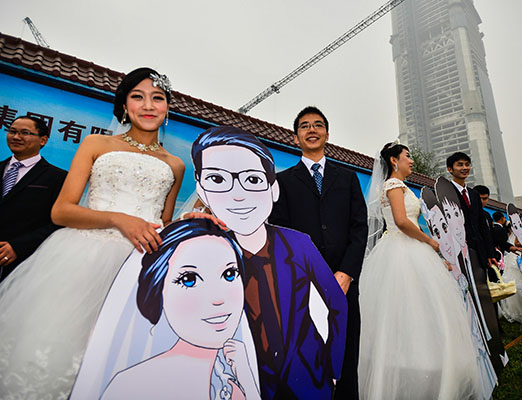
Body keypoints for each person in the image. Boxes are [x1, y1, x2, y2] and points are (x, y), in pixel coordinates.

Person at [0, 67, 185, 398]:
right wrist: (118, 219)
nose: (148, 105)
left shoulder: (175, 165)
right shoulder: (96, 143)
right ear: (124, 105)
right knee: (57, 350)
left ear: (167, 108)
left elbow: (164, 224)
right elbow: (61, 211)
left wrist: (196, 221)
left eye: (157, 98)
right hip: (80, 260)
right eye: (137, 97)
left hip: (137, 269)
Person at [191, 126, 347, 399]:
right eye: (218, 179)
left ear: (273, 189)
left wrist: (334, 366)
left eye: (252, 180)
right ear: (202, 190)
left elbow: (336, 302)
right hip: (244, 380)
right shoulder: (209, 251)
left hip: (310, 375)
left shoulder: (299, 243)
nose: (238, 195)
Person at [72, 219, 260, 399]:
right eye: (189, 279)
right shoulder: (134, 385)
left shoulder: (231, 378)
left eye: (229, 274)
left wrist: (248, 382)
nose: (218, 299)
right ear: (158, 290)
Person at [358, 142, 482, 399]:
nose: (411, 161)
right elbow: (402, 221)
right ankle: (413, 368)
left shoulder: (400, 186)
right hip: (401, 249)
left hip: (408, 247)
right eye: (408, 156)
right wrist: (430, 242)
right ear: (394, 161)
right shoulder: (393, 185)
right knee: (410, 307)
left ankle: (424, 364)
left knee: (418, 308)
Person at [270, 106, 368, 400]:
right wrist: (305, 276)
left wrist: (347, 272)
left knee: (346, 355)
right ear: (296, 136)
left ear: (327, 133)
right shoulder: (283, 181)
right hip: (302, 285)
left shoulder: (347, 178)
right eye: (304, 126)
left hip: (344, 282)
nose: (311, 130)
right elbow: (281, 233)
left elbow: (358, 228)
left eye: (317, 125)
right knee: (306, 356)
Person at [445, 152, 504, 374]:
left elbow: (482, 225)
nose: (465, 168)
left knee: (483, 291)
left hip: (478, 251)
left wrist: (489, 252)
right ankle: (467, 336)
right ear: (450, 169)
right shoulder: (445, 192)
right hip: (458, 252)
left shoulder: (472, 193)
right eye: (460, 164)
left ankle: (491, 333)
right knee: (462, 293)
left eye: (467, 164)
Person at [0, 116, 67, 280]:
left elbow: (59, 222)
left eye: (25, 133)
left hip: (21, 264)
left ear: (43, 140)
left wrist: (18, 246)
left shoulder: (58, 178)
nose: (16, 137)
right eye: (12, 132)